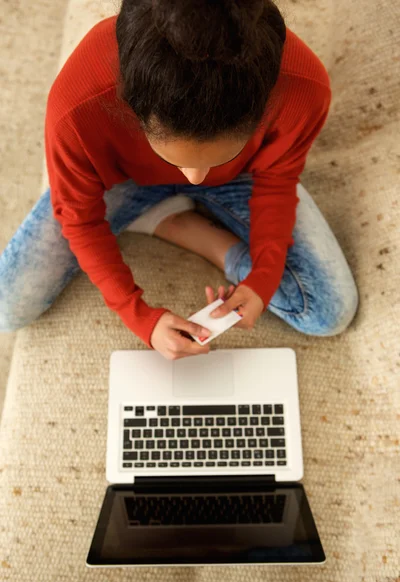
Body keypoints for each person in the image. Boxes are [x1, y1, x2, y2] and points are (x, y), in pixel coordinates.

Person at [0, 0, 358, 360]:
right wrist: (141, 319)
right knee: (6, 306)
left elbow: (277, 181)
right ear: (131, 108)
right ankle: (166, 216)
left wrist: (262, 279)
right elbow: (76, 215)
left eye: (219, 156)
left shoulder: (305, 89)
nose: (198, 178)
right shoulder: (78, 104)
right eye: (177, 159)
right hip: (122, 181)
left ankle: (196, 234)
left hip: (245, 176)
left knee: (330, 312)